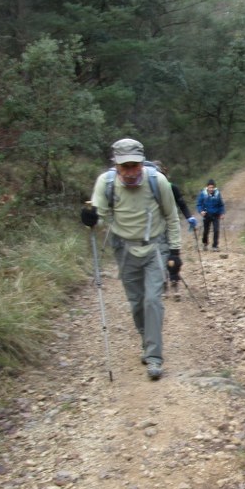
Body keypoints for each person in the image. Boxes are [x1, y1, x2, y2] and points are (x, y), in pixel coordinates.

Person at [81, 138, 181, 380]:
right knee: (136, 303)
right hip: (124, 249)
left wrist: (176, 251)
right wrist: (91, 219)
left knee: (152, 301)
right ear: (115, 165)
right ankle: (147, 342)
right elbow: (101, 217)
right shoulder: (105, 183)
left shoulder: (158, 182)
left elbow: (171, 216)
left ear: (141, 162)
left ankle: (155, 357)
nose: (130, 172)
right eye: (124, 167)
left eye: (134, 165)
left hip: (155, 248)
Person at [152, 161, 197, 300]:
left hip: (171, 225)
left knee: (174, 256)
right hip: (156, 227)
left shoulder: (172, 188)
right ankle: (164, 284)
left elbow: (182, 204)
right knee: (159, 256)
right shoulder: (148, 189)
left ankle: (174, 282)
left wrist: (189, 217)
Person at [196, 179, 225, 251]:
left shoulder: (217, 194)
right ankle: (205, 243)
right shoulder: (203, 194)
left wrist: (222, 213)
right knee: (206, 230)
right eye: (210, 187)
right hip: (206, 214)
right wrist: (201, 211)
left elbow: (221, 205)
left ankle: (215, 246)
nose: (211, 189)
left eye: (212, 187)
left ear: (214, 187)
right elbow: (199, 204)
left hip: (216, 215)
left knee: (216, 230)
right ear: (207, 187)